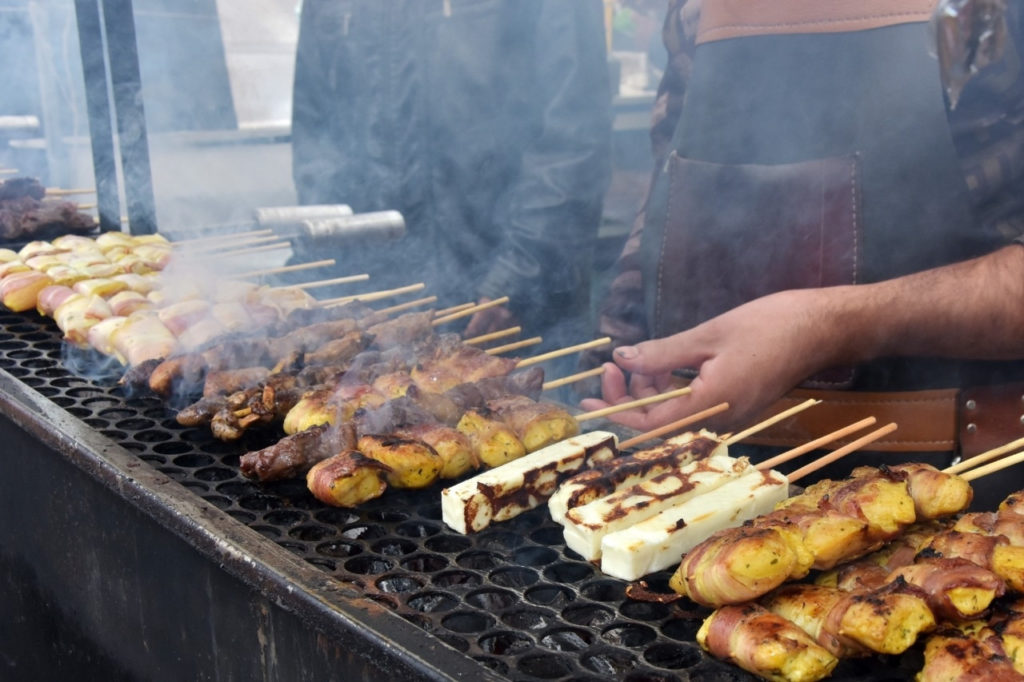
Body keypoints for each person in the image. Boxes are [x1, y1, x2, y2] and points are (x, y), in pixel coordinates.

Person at [579, 0, 1024, 500]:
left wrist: (825, 326)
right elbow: (665, 192)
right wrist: (615, 358)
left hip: (957, 487)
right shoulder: (695, 12)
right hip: (700, 481)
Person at [289, 0, 612, 353]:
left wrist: (517, 278)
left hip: (502, 305)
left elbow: (574, 135)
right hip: (373, 308)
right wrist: (325, 269)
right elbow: (314, 136)